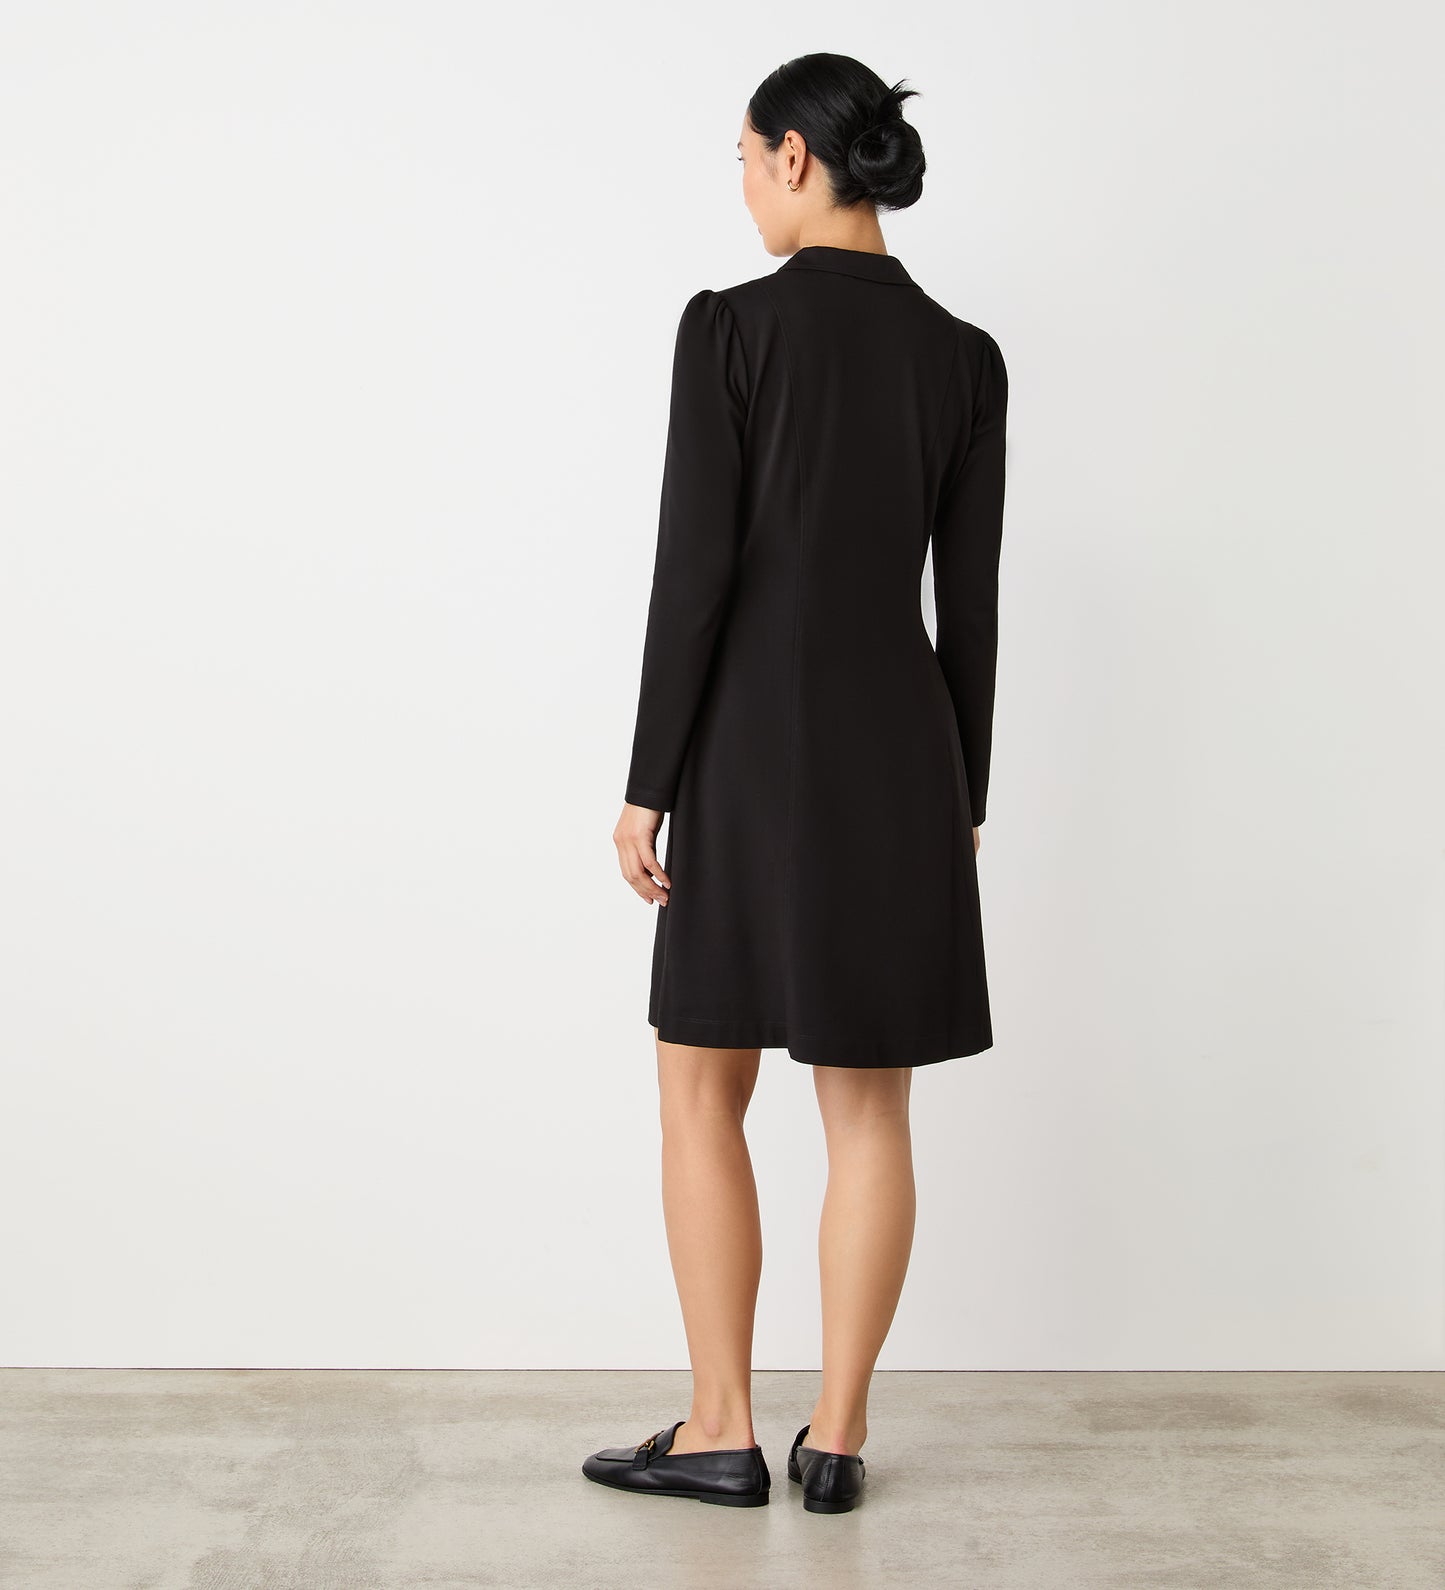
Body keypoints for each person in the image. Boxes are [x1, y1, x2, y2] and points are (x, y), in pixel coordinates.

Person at [588, 52, 1009, 1514]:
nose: (743, 185)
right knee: (869, 1112)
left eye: (742, 155)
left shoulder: (729, 331)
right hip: (904, 749)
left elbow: (691, 580)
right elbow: (972, 600)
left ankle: (719, 1424)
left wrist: (649, 779)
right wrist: (960, 787)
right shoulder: (965, 355)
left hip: (750, 746)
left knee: (702, 1084)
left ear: (789, 158)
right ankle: (836, 1436)